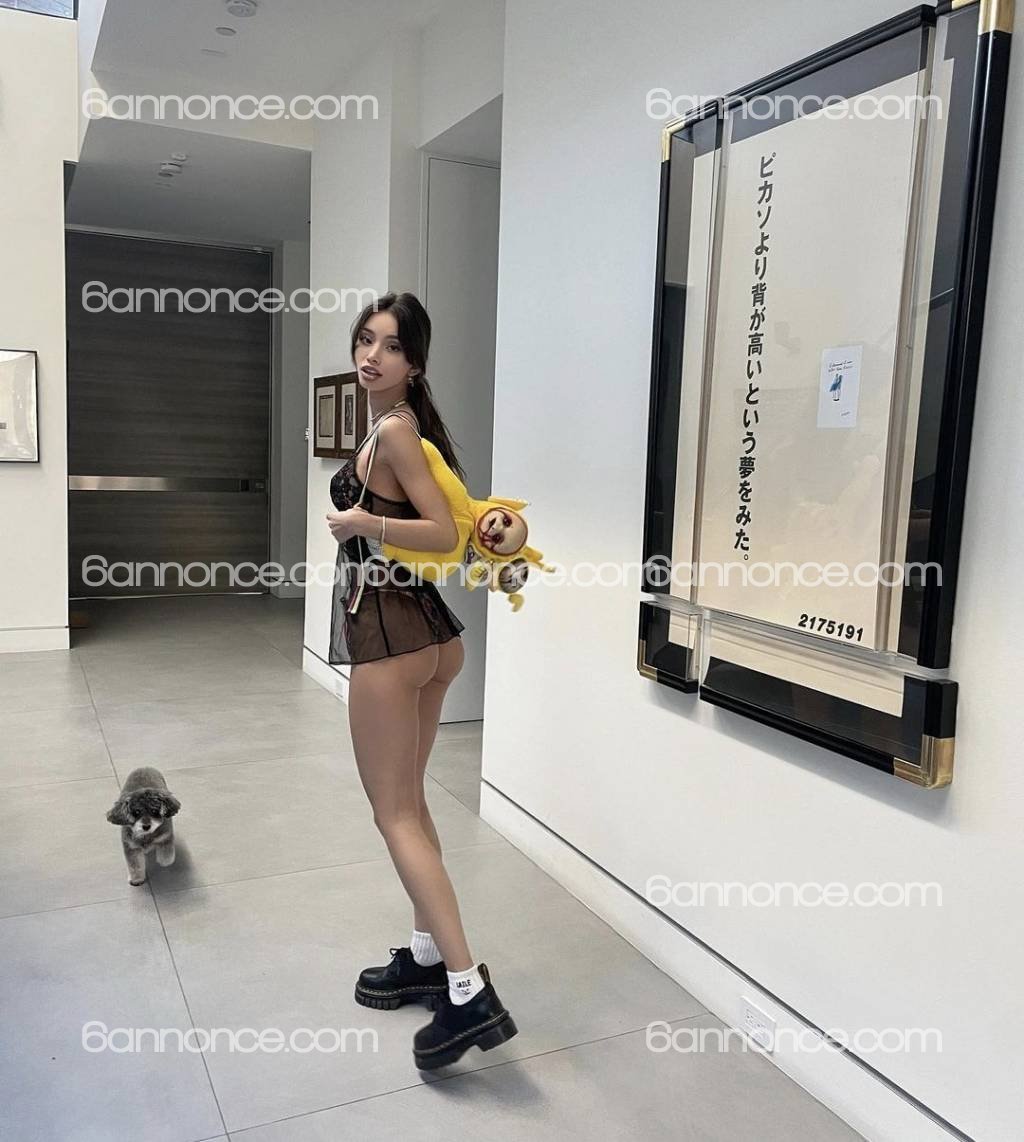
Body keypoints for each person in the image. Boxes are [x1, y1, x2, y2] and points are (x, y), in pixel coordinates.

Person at [325, 291, 518, 1069]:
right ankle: (429, 957)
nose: (372, 355)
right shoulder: (394, 426)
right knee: (411, 802)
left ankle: (469, 994)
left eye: (392, 346)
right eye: (365, 340)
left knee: (394, 814)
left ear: (415, 363)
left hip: (393, 639)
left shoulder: (397, 431)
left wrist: (363, 522)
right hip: (428, 637)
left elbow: (440, 532)